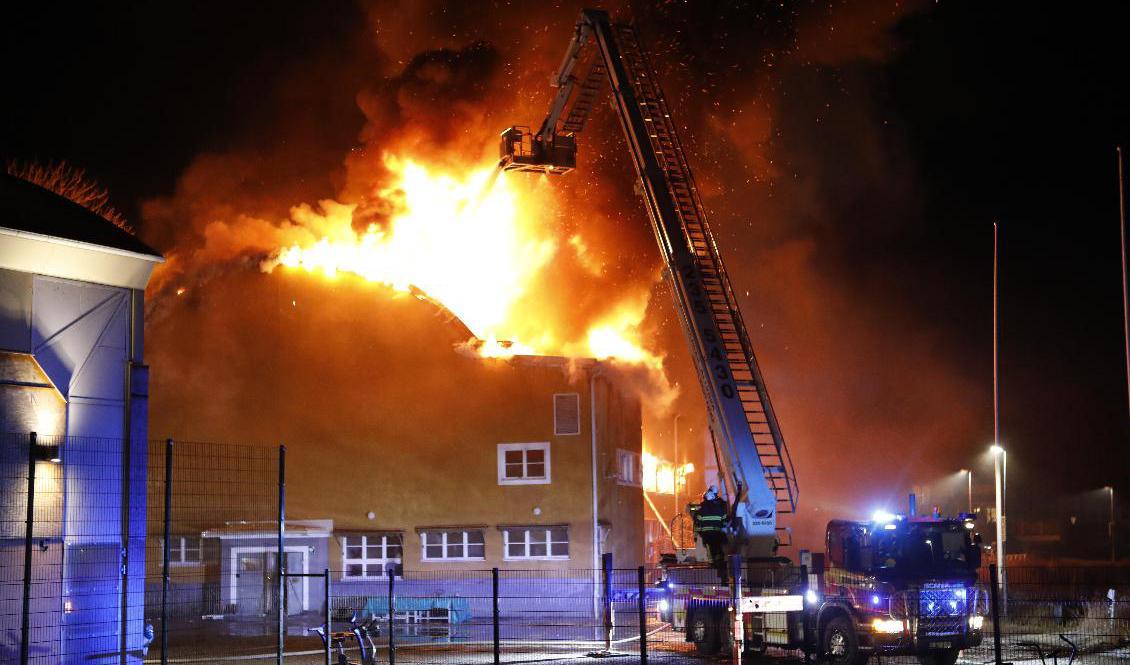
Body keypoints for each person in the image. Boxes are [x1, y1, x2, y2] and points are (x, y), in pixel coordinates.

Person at [693, 486, 730, 582]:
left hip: (707, 535)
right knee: (718, 551)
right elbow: (725, 521)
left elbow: (698, 523)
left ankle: (713, 565)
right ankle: (720, 564)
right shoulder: (720, 508)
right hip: (717, 533)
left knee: (711, 551)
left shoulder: (701, 510)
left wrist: (697, 535)